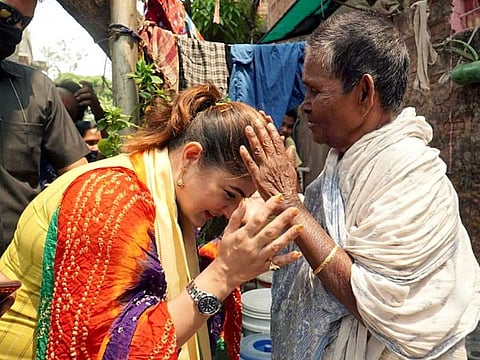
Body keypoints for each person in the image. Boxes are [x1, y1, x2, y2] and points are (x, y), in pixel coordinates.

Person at [240, 12, 480, 360]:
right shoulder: (344, 161)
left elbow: (376, 298)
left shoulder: (411, 175)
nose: (304, 105)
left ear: (364, 93)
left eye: (315, 91)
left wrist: (291, 205)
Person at [0, 84, 303, 360]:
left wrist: (231, 257)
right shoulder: (110, 201)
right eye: (229, 194)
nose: (230, 211)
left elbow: (149, 274)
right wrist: (224, 273)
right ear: (191, 157)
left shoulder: (157, 190)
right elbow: (115, 349)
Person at [0, 0, 89, 255]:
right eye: (7, 15)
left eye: (24, 22)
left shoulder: (36, 89)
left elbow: (79, 178)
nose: (16, 28)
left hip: (18, 273)